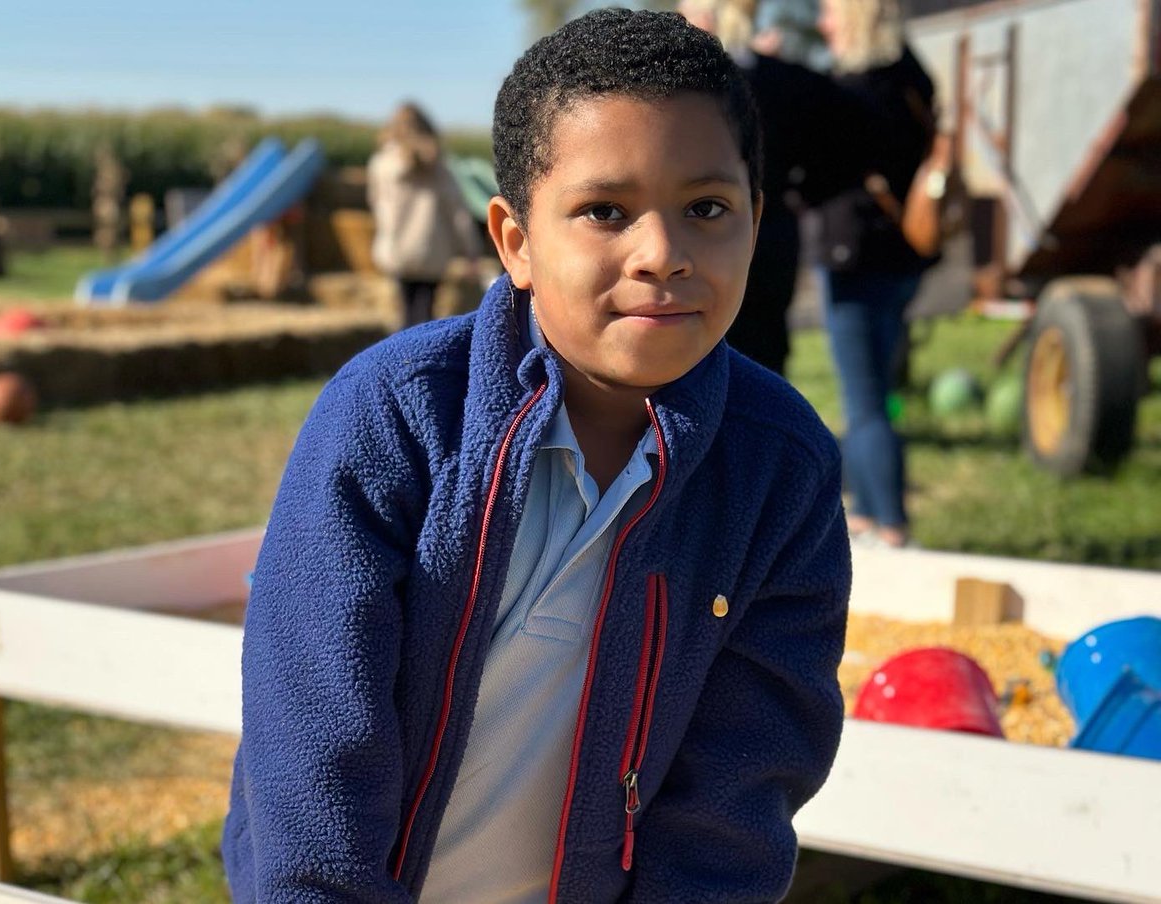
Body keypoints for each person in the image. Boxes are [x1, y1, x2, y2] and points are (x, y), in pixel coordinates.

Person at [223, 9, 850, 903]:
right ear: (516, 240)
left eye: (706, 209)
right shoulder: (394, 418)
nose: (661, 254)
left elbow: (735, 800)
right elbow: (314, 752)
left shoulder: (781, 469)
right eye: (605, 211)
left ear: (753, 219)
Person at [678, 0, 901, 377]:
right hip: (772, 233)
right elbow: (862, 139)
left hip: (701, 237)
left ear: (705, 16)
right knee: (764, 361)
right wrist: (801, 192)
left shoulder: (684, 86)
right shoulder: (789, 80)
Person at [812, 0, 937, 549]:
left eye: (831, 14)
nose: (824, 25)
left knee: (863, 404)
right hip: (905, 254)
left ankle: (890, 525)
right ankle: (863, 513)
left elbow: (819, 175)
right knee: (878, 392)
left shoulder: (850, 93)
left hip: (855, 256)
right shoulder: (915, 79)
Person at [367, 102, 480, 328]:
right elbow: (457, 212)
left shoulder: (381, 164)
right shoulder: (440, 167)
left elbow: (376, 204)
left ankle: (401, 359)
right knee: (425, 312)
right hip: (432, 250)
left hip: (397, 249)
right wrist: (471, 251)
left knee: (405, 311)